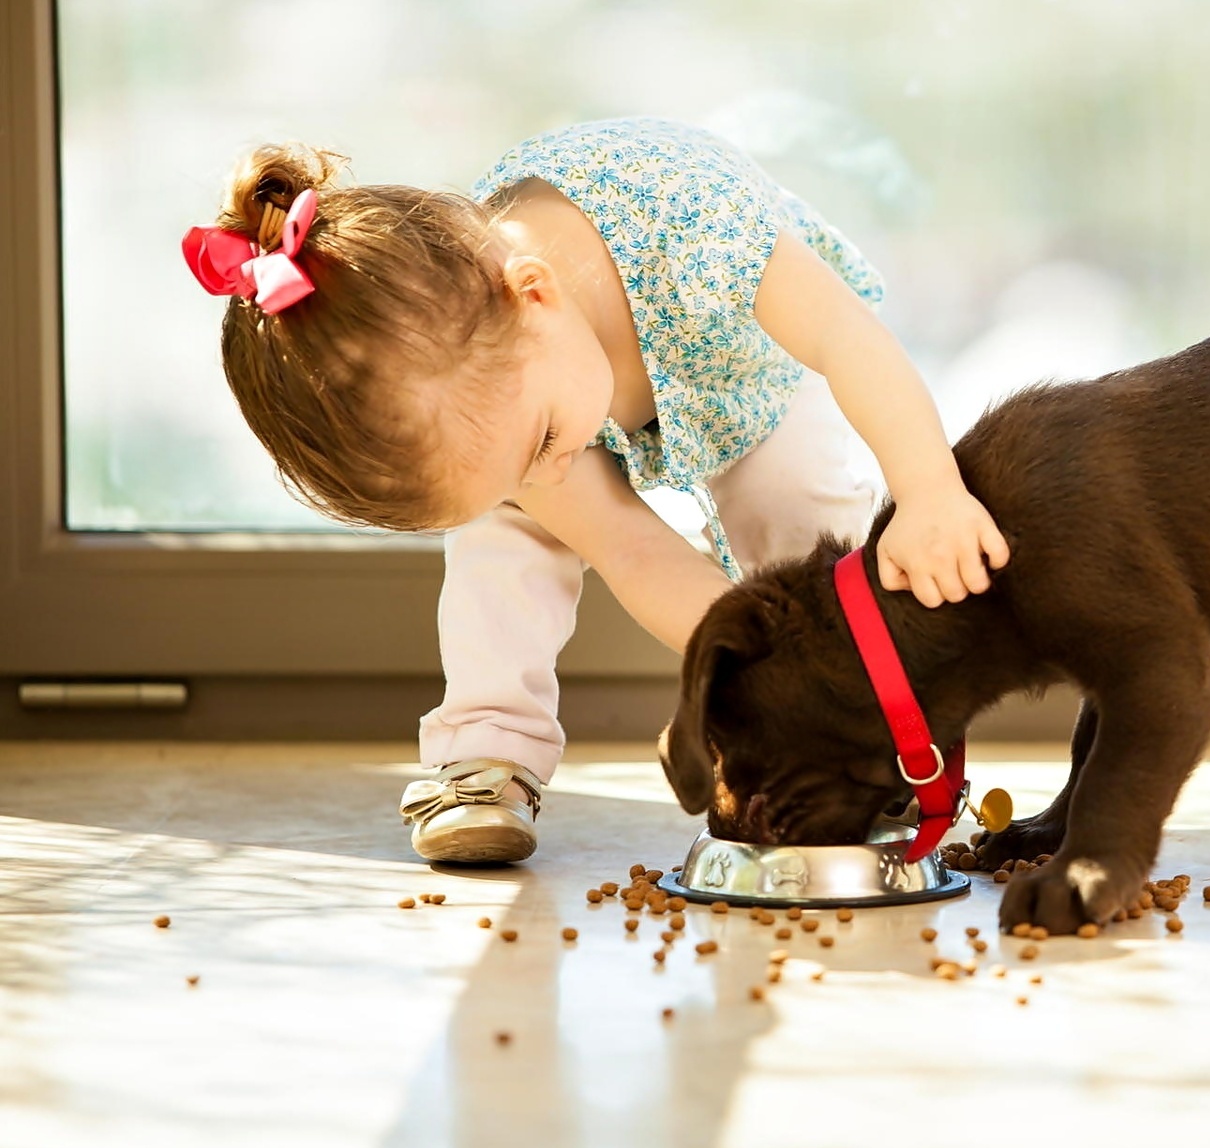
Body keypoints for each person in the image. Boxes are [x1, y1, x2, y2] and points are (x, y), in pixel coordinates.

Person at [183, 116, 1009, 864]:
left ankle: (850, 735)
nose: (546, 477)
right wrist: (738, 671)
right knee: (502, 542)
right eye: (514, 473)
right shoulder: (505, 400)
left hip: (743, 371)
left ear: (535, 293)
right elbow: (629, 546)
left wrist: (930, 488)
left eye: (540, 446)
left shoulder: (697, 228)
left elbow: (845, 337)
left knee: (800, 500)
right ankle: (486, 750)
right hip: (553, 388)